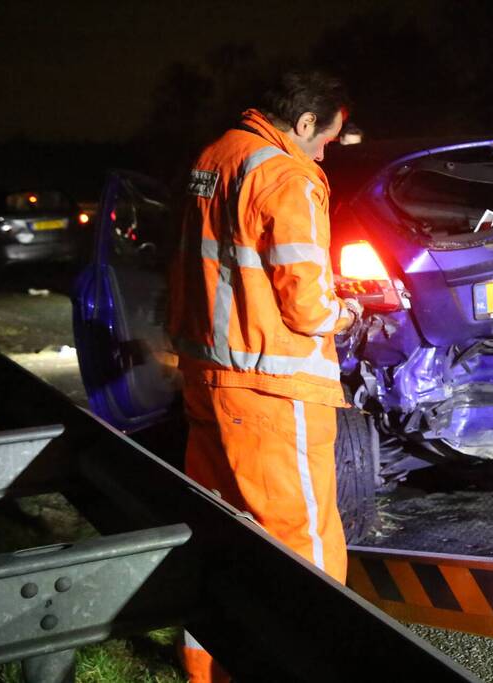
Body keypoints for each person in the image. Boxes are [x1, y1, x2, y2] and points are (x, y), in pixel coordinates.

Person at [166, 69, 363, 683]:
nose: (326, 150)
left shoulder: (217, 155)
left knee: (218, 537)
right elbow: (306, 307)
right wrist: (348, 309)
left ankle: (205, 671)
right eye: (327, 138)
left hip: (207, 379)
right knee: (302, 549)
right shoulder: (288, 174)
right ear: (304, 124)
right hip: (274, 391)